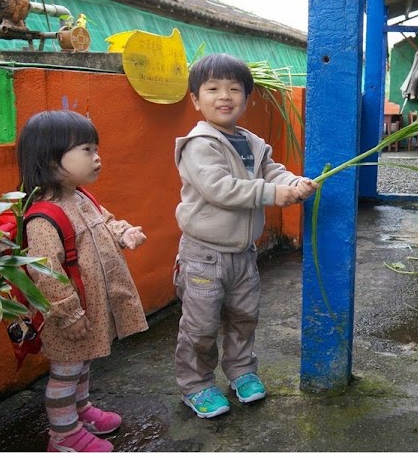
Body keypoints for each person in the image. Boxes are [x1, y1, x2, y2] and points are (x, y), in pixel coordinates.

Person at [174, 53, 318, 418]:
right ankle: (196, 385)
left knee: (244, 316)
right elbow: (219, 187)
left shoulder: (251, 141)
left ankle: (241, 371)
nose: (224, 96)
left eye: (234, 89)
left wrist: (294, 184)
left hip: (243, 254)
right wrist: (272, 194)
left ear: (247, 97)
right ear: (195, 99)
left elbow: (273, 172)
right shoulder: (198, 143)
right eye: (213, 89)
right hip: (204, 255)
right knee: (201, 325)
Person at [18, 110, 149, 452]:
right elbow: (46, 273)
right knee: (65, 373)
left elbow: (106, 222)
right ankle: (63, 436)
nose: (97, 158)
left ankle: (80, 411)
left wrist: (124, 233)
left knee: (82, 363)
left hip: (88, 311)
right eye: (87, 150)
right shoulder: (44, 217)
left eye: (96, 149)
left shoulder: (80, 197)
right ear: (50, 158)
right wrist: (69, 314)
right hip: (70, 317)